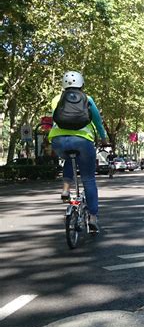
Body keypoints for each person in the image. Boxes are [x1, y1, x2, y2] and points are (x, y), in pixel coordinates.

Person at [49, 71, 107, 232]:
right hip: (83, 140)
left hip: (58, 140)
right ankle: (93, 217)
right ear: (82, 84)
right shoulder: (87, 99)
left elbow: (55, 117)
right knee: (88, 179)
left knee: (69, 156)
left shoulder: (56, 99)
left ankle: (66, 188)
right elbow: (97, 121)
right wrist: (103, 138)